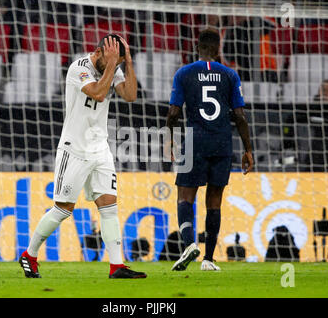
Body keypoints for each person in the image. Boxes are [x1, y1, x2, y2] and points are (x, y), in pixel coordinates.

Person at [19, 35, 146, 279]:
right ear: (99, 52)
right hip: (74, 149)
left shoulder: (113, 67)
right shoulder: (79, 68)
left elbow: (130, 96)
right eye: (113, 62)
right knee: (63, 209)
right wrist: (111, 65)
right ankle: (30, 254)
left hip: (100, 149)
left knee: (108, 206)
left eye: (118, 63)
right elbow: (97, 93)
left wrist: (127, 63)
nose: (115, 67)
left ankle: (117, 266)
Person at [166, 29, 253, 272]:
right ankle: (208, 259)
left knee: (185, 197)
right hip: (222, 142)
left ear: (197, 47)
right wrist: (248, 149)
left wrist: (168, 137)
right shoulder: (230, 75)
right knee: (214, 202)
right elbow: (239, 116)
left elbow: (173, 113)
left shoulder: (184, 73)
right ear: (218, 49)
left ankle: (188, 245)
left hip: (194, 141)